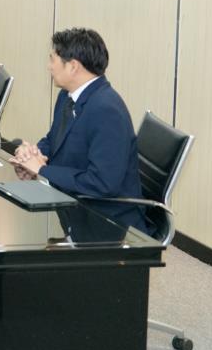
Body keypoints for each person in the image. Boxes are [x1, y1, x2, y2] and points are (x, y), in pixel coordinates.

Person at [13, 28, 148, 232]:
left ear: (73, 66)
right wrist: (32, 155)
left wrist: (42, 169)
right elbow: (54, 139)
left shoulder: (106, 110)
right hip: (72, 204)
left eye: (52, 59)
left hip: (107, 222)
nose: (49, 67)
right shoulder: (68, 96)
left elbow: (102, 183)